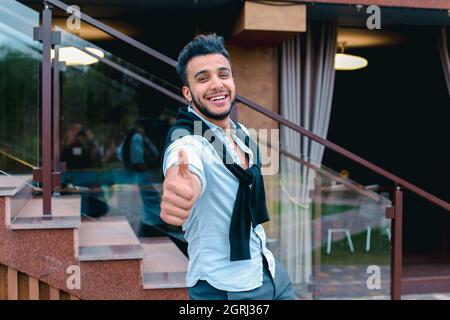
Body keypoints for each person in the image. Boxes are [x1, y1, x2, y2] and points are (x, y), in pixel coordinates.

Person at [160, 34, 296, 300]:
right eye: (203, 78)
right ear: (187, 93)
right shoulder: (187, 139)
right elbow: (185, 163)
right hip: (224, 288)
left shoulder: (241, 133)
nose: (216, 84)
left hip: (269, 271)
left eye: (223, 74)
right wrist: (181, 187)